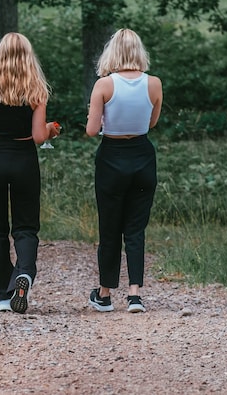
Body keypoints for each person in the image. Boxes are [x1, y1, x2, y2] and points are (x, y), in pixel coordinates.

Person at [0, 33, 60, 313]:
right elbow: (39, 136)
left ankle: (2, 297)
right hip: (24, 161)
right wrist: (53, 129)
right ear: (29, 58)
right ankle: (24, 273)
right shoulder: (36, 91)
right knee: (26, 227)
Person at [85, 28, 163, 314]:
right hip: (142, 156)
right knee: (135, 228)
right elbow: (151, 123)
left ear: (113, 52)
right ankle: (135, 294)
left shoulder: (104, 85)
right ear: (139, 52)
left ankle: (105, 294)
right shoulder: (153, 83)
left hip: (112, 157)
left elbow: (92, 130)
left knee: (110, 227)